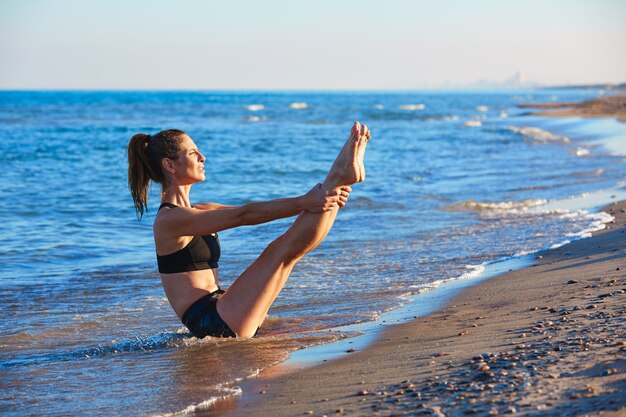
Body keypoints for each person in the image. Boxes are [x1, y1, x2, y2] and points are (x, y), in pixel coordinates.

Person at [127, 122, 371, 338]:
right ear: (169, 165)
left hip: (224, 308)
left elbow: (254, 210)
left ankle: (340, 179)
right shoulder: (170, 219)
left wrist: (314, 201)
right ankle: (338, 176)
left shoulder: (201, 210)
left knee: (289, 255)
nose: (202, 157)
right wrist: (304, 202)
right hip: (210, 321)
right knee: (278, 251)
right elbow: (244, 216)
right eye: (192, 153)